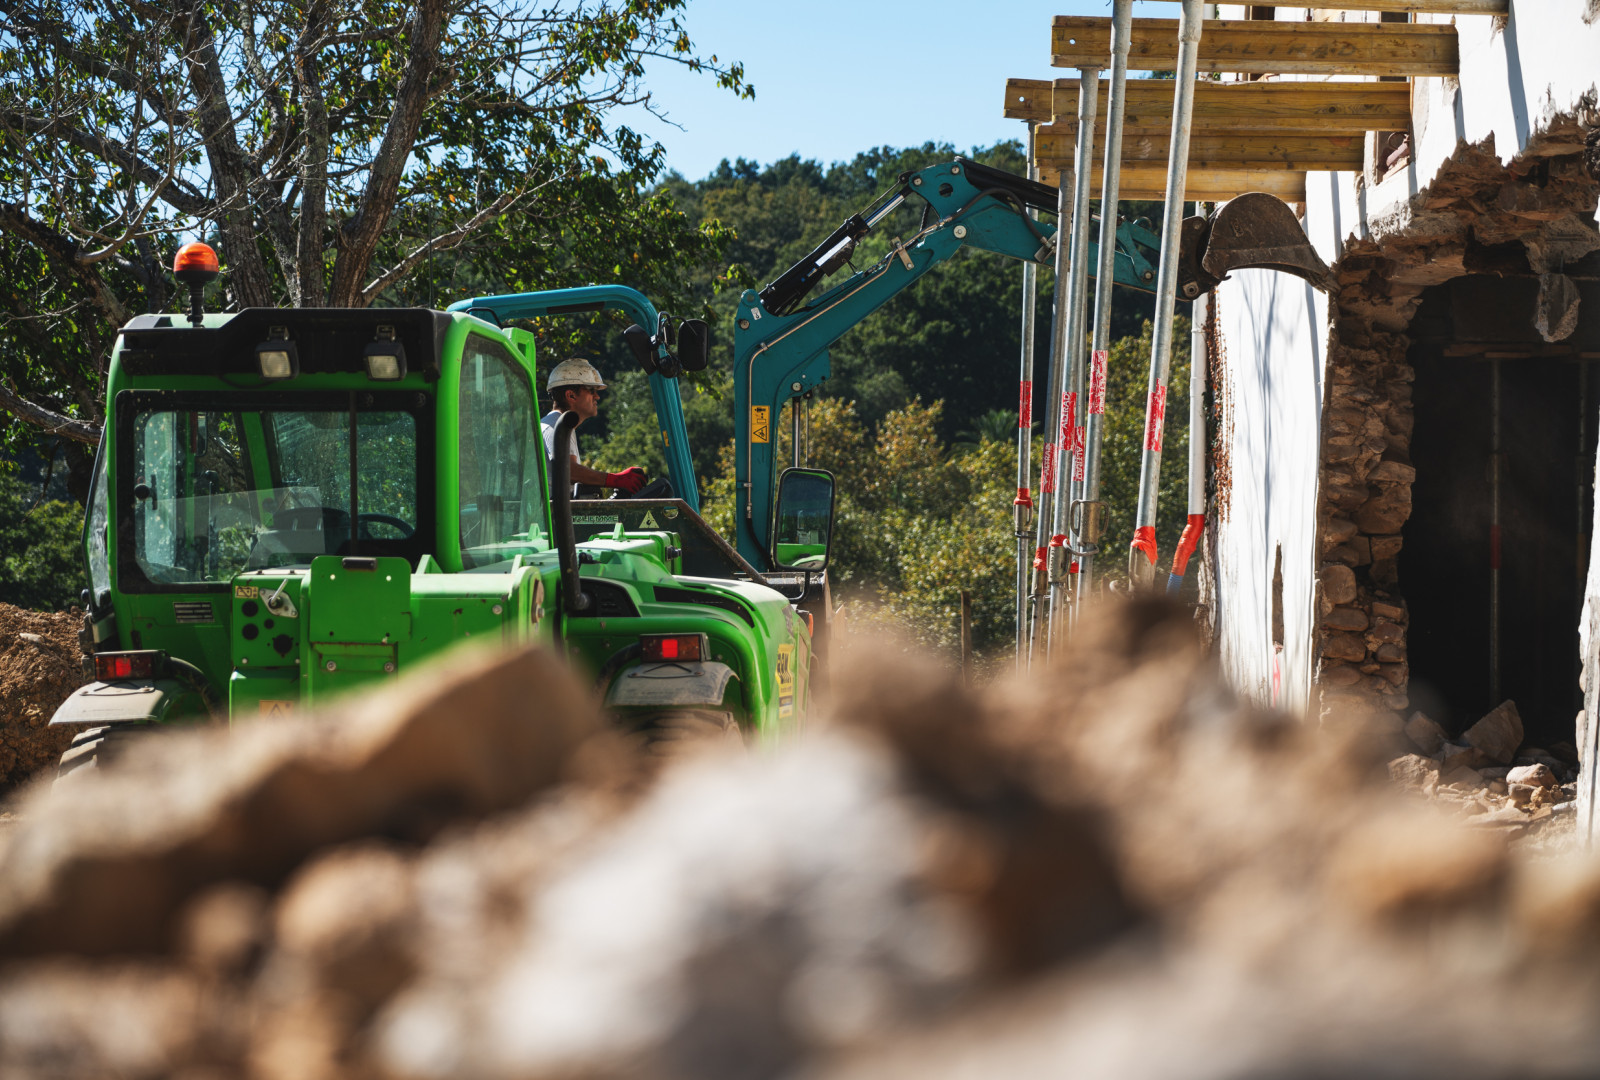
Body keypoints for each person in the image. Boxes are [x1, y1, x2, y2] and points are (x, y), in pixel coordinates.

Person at [540, 358, 648, 495]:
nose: (597, 397)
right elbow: (568, 470)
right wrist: (616, 480)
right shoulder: (556, 425)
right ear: (571, 395)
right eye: (591, 390)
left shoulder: (558, 424)